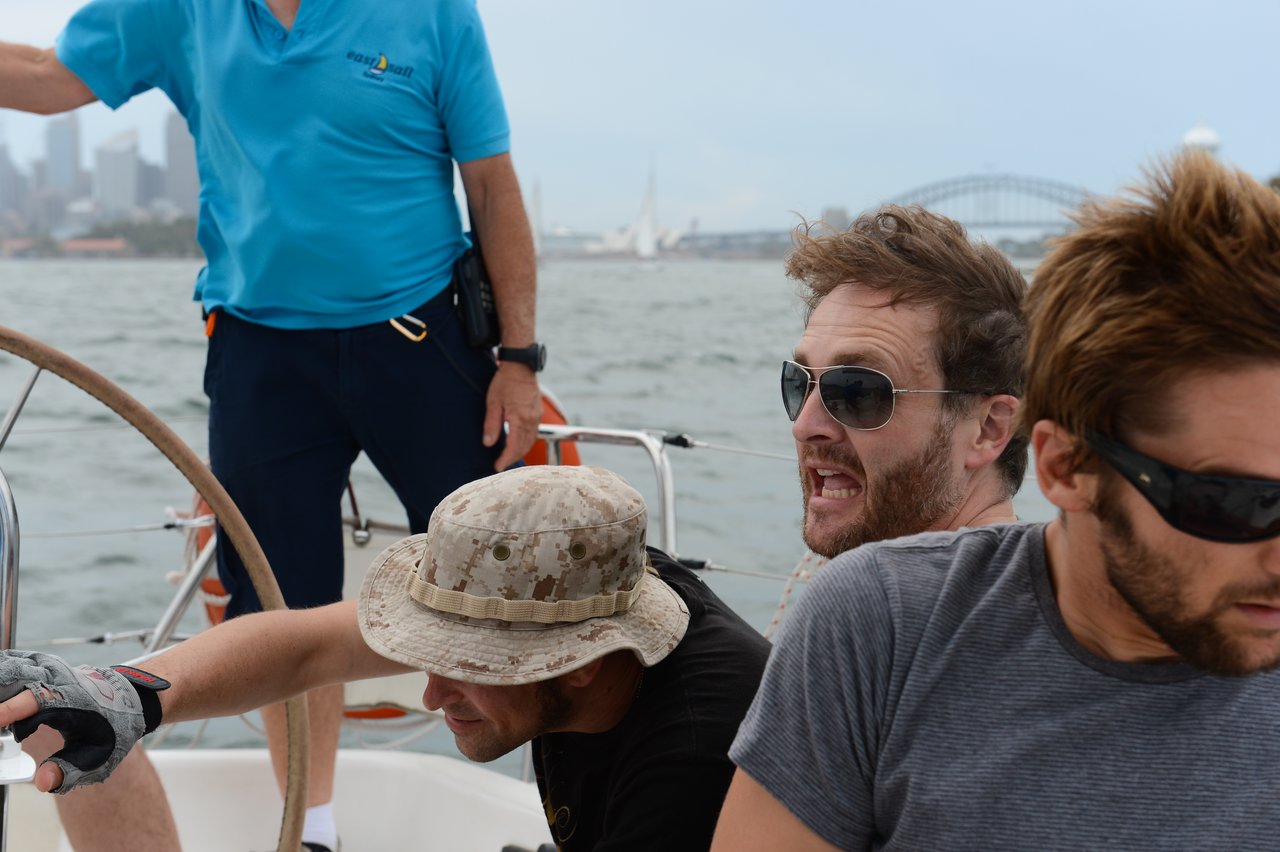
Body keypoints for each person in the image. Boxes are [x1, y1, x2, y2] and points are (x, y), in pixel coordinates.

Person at [0, 1, 541, 849]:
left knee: (505, 584)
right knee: (278, 600)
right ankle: (314, 831)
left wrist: (521, 358)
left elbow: (491, 183)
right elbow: (42, 77)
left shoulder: (433, 10)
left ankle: (576, 800)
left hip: (423, 338)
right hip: (260, 351)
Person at [713, 151, 1280, 850]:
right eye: (1238, 502)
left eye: (858, 390)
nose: (805, 424)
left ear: (994, 428)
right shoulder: (876, 624)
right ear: (1066, 467)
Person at [0, 464, 772, 852]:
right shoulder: (602, 577)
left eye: (464, 661)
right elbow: (304, 649)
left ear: (582, 659)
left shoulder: (699, 764)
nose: (431, 694)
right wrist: (131, 694)